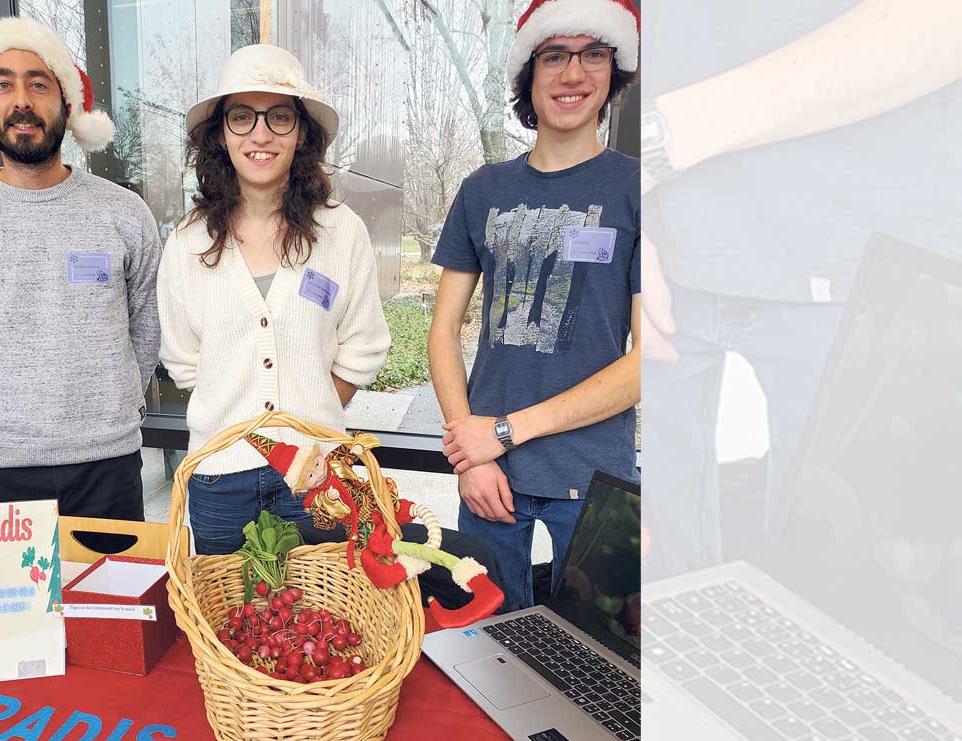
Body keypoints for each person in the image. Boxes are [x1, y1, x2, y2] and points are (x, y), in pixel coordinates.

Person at [158, 45, 501, 611]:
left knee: (324, 627)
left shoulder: (340, 233)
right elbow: (186, 361)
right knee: (230, 627)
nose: (260, 134)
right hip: (218, 481)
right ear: (220, 134)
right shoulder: (188, 244)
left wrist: (308, 414)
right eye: (241, 116)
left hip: (317, 483)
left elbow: (363, 347)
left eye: (279, 117)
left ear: (302, 134)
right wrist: (245, 418)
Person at [639, 0, 962, 578]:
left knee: (853, 598)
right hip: (673, 268)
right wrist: (633, 216)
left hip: (865, 274)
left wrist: (664, 138)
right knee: (657, 599)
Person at [429, 0, 642, 612]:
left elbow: (646, 361)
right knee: (484, 650)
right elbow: (443, 333)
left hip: (595, 479)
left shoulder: (639, 189)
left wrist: (502, 431)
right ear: (529, 72)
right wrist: (470, 456)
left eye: (592, 54)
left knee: (596, 664)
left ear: (613, 72)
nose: (572, 74)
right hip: (489, 478)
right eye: (554, 56)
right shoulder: (482, 190)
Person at [0, 17, 160, 525]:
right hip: (2, 465)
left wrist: (109, 402)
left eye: (39, 83)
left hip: (108, 463)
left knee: (107, 605)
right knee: (11, 609)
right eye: (3, 83)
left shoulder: (123, 212)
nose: (21, 100)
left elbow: (146, 322)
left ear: (66, 104)